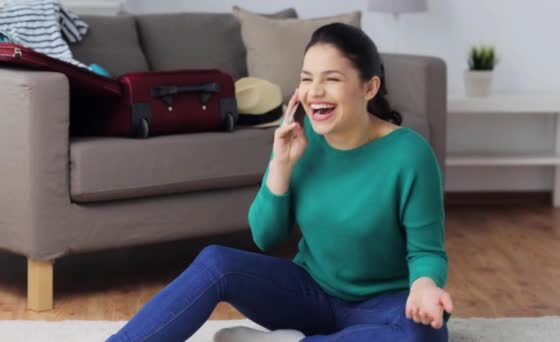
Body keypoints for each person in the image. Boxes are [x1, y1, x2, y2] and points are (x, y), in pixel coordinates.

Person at [107, 22, 453, 342]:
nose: (314, 91)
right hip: (309, 296)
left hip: (383, 305)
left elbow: (426, 251)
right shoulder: (301, 140)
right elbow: (265, 237)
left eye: (332, 79)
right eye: (306, 78)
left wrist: (424, 286)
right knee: (217, 262)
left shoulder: (409, 154)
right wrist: (281, 167)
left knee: (424, 334)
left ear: (369, 87)